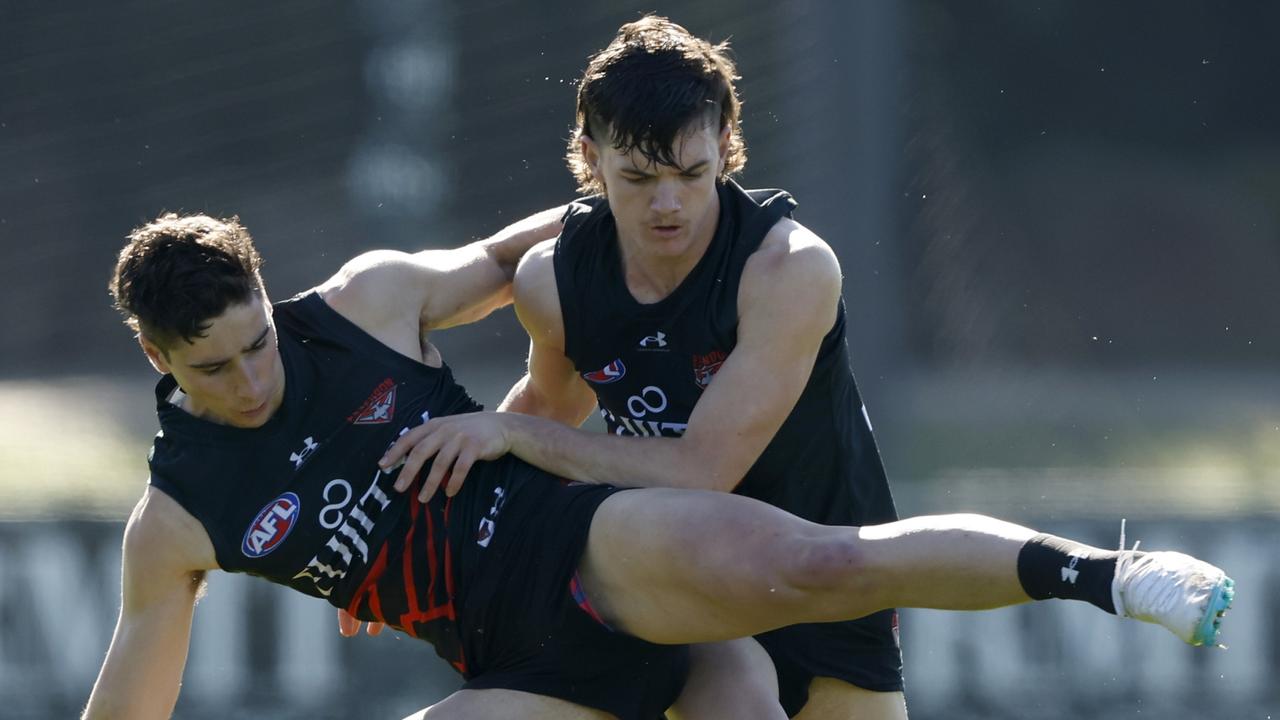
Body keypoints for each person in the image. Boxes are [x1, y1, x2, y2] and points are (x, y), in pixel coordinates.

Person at [84, 211, 1234, 720]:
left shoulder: (364, 304)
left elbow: (520, 252)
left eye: (257, 345)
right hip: (514, 675)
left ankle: (1114, 577)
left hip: (583, 549)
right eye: (215, 370)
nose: (251, 381)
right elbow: (132, 704)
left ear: (267, 299)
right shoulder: (175, 519)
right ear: (156, 355)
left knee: (818, 569)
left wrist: (659, 201)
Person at [373, 14, 891, 719]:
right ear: (590, 157)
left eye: (691, 173)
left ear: (727, 144)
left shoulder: (788, 269)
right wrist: (412, 544)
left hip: (821, 564)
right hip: (676, 573)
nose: (668, 203)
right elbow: (548, 413)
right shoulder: (555, 279)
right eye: (639, 178)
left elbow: (701, 470)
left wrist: (510, 432)